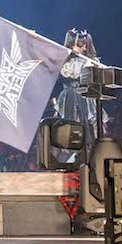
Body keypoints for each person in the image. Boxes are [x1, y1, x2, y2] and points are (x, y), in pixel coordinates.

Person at [46, 28, 99, 164]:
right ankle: (58, 162)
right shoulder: (66, 61)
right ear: (71, 45)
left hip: (86, 98)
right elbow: (68, 73)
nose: (83, 47)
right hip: (69, 97)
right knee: (66, 131)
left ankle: (91, 162)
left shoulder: (89, 61)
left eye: (84, 45)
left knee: (91, 131)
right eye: (80, 44)